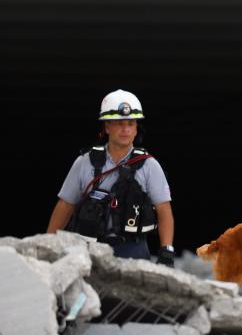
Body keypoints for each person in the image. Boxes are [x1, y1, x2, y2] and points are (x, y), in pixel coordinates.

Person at [46, 89, 176, 265]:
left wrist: (166, 249)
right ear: (107, 127)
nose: (126, 129)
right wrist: (48, 244)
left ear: (137, 128)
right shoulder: (85, 162)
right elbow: (65, 205)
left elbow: (164, 209)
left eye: (131, 123)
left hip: (133, 250)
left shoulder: (149, 165)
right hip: (89, 249)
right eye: (119, 123)